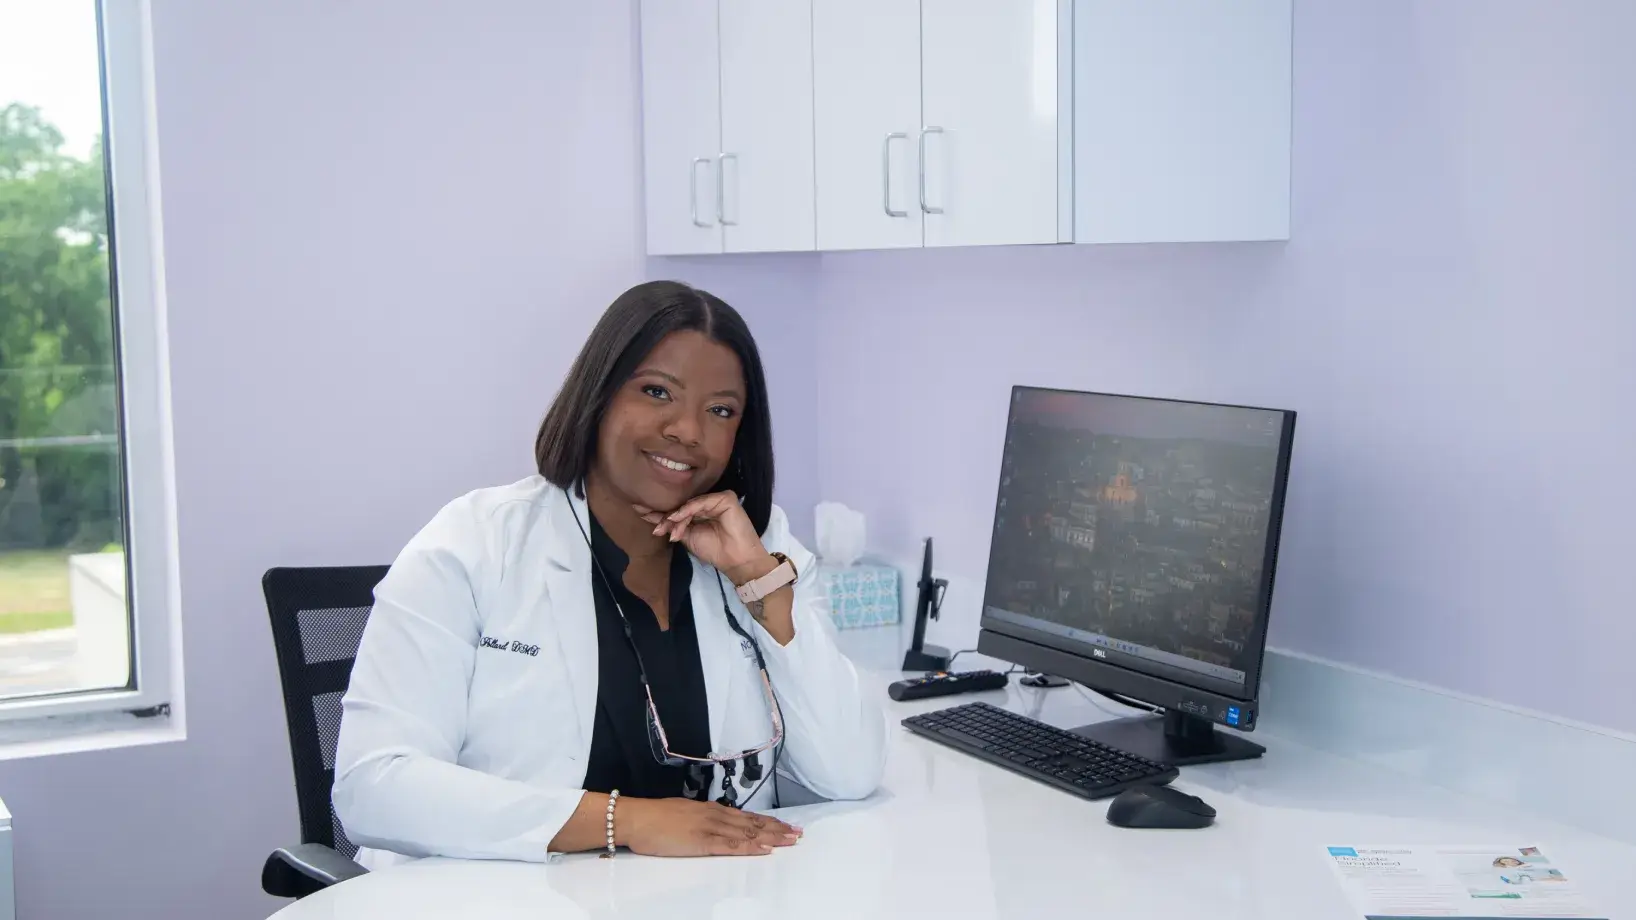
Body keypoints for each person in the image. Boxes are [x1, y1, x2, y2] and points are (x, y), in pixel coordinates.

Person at [332, 281, 888, 868]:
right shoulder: (477, 542)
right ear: (598, 396)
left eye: (720, 410)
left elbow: (848, 772)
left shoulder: (758, 546)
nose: (688, 431)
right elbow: (374, 787)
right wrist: (629, 821)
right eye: (656, 392)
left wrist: (762, 588)